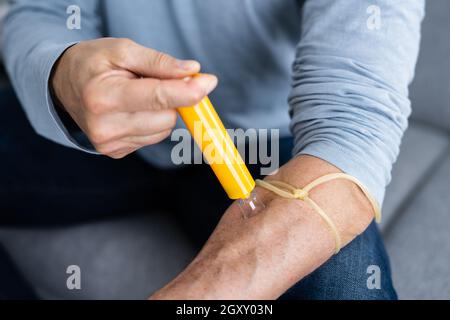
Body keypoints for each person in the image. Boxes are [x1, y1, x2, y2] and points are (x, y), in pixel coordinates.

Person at [0, 0, 424, 299]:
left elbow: (353, 118)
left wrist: (209, 286)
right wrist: (64, 73)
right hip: (103, 117)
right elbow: (44, 11)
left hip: (265, 144)